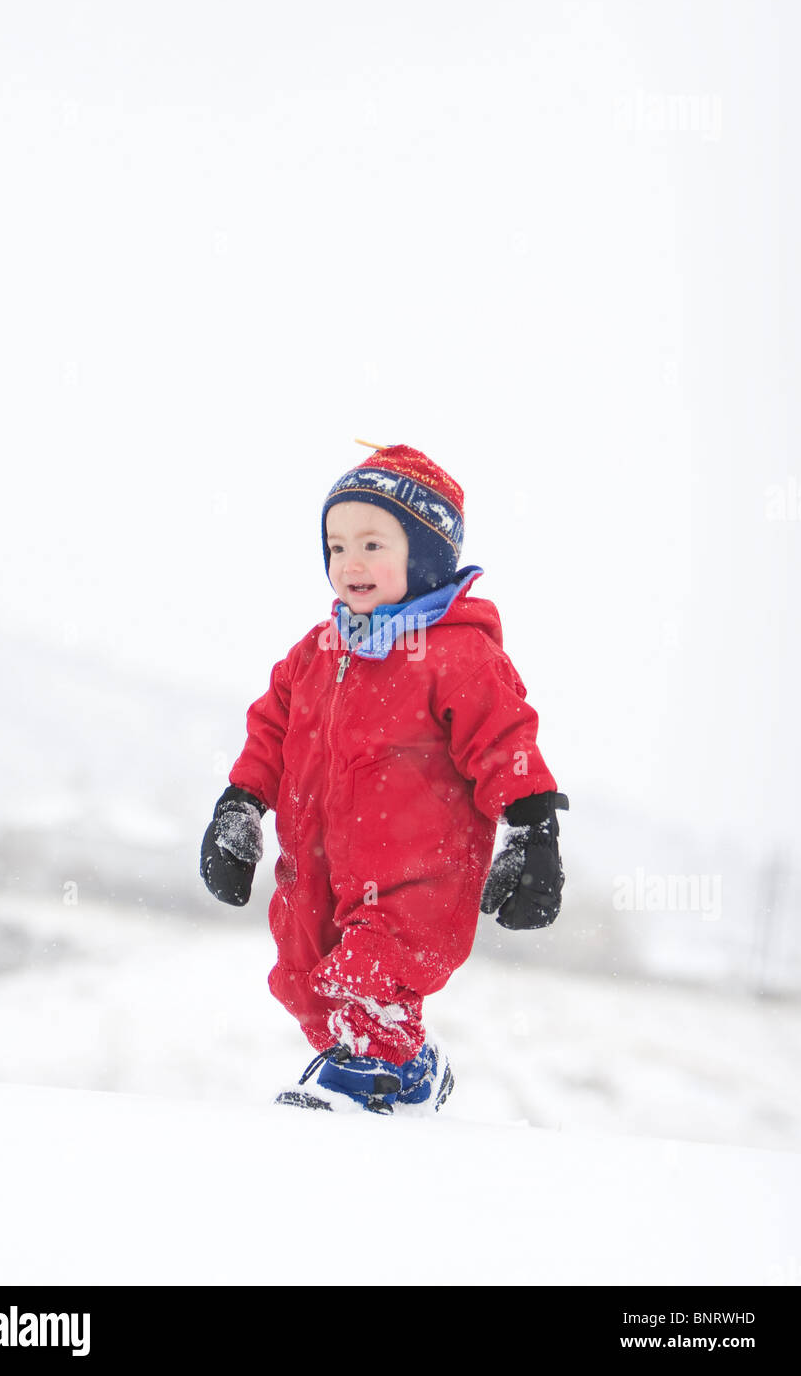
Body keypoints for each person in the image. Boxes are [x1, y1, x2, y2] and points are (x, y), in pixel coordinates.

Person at [200, 440, 568, 1115]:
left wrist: (533, 828)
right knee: (304, 979)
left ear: (425, 554)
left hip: (419, 874)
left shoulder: (457, 655)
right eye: (336, 547)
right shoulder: (316, 653)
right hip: (317, 865)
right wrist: (241, 805)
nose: (350, 563)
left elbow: (505, 741)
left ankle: (359, 1081)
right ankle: (409, 1072)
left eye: (373, 544)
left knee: (368, 975)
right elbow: (270, 734)